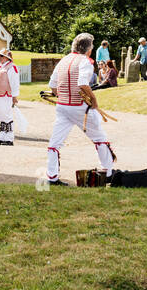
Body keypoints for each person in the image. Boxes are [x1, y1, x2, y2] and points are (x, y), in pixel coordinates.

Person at [46, 33, 115, 184]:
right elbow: (82, 83)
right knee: (99, 138)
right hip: (80, 107)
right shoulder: (85, 61)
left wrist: (62, 95)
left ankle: (52, 177)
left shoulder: (64, 60)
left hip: (62, 107)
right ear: (89, 49)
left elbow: (52, 85)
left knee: (55, 142)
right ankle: (108, 172)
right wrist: (94, 100)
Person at [0, 48, 20, 145]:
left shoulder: (11, 67)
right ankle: (2, 136)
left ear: (7, 58)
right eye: (0, 56)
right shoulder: (0, 67)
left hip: (5, 94)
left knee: (6, 115)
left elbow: (14, 83)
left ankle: (9, 138)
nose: (0, 58)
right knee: (1, 115)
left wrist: (14, 96)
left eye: (2, 56)